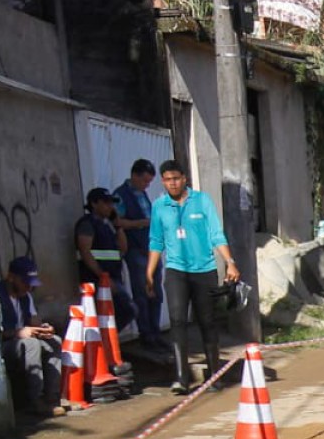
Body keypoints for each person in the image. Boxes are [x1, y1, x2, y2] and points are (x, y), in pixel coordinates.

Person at [146, 160, 237, 394]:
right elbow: (156, 241)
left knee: (207, 321)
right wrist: (149, 272)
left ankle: (214, 376)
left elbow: (216, 234)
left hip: (204, 270)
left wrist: (230, 262)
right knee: (177, 321)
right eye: (167, 179)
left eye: (176, 178)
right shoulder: (159, 206)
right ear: (163, 181)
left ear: (184, 178)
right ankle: (181, 378)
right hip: (176, 270)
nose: (172, 183)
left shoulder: (202, 201)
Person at [0, 256, 65, 419]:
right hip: (1, 346)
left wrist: (44, 329)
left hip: (23, 341)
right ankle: (35, 400)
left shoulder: (25, 296)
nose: (28, 287)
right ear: (11, 277)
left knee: (54, 341)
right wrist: (17, 333)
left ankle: (53, 398)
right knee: (31, 344)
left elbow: (35, 321)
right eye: (25, 282)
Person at [112, 159, 163, 351]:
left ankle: (156, 332)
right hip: (136, 251)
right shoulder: (121, 196)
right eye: (144, 181)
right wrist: (141, 223)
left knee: (156, 294)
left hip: (152, 250)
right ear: (134, 175)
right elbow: (118, 222)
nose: (147, 185)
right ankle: (146, 335)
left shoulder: (143, 194)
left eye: (149, 182)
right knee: (142, 294)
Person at [75, 187, 124, 290]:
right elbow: (85, 252)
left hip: (114, 277)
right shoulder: (87, 224)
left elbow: (123, 249)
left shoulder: (107, 225)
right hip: (96, 280)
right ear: (94, 203)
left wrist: (118, 226)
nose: (110, 207)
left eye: (111, 203)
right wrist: (103, 276)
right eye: (106, 203)